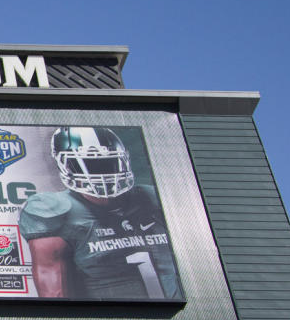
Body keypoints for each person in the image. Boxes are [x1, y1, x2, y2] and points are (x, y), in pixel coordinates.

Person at [19, 127, 181, 300]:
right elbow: (56, 296)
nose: (101, 174)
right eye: (88, 164)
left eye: (107, 163)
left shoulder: (154, 198)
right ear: (63, 165)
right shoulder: (54, 210)